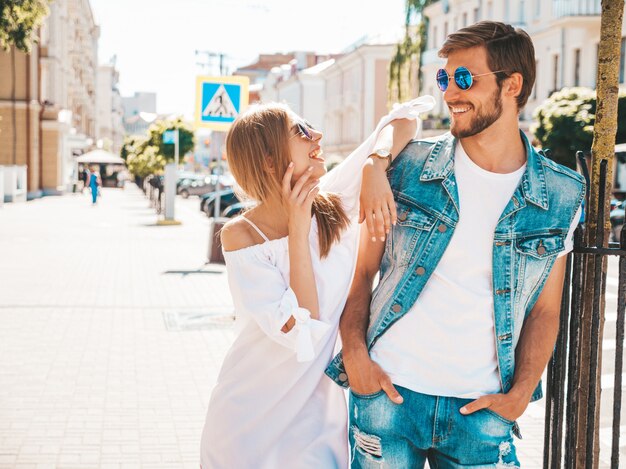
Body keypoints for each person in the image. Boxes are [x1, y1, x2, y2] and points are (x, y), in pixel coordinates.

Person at [326, 21, 585, 467]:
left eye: (465, 78)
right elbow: (362, 272)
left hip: (481, 410)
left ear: (513, 84)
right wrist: (355, 356)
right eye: (445, 78)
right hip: (388, 395)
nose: (449, 93)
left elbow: (545, 309)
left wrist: (521, 393)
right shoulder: (407, 167)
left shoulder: (560, 196)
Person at [200, 97, 435, 469]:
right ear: (271, 161)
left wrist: (376, 164)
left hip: (316, 426)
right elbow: (301, 329)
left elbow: (403, 121)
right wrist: (297, 227)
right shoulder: (241, 236)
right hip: (246, 426)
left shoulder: (334, 202)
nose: (318, 135)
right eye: (302, 131)